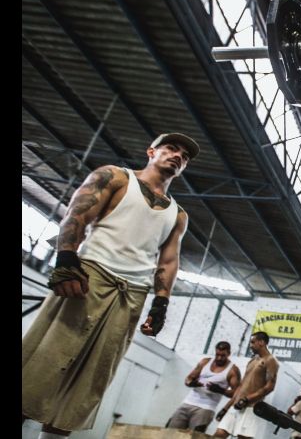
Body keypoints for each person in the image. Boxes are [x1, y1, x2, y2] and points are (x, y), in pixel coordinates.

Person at [22, 133, 200, 439]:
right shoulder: (115, 177)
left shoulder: (178, 215)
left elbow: (169, 261)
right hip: (88, 278)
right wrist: (66, 259)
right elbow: (77, 214)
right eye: (171, 148)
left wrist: (161, 304)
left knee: (90, 379)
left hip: (132, 295)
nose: (177, 156)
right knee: (43, 363)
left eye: (184, 156)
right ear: (151, 151)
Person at [214, 331, 279, 439]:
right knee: (219, 434)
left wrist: (247, 399)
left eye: (253, 342)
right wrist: (226, 408)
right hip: (236, 405)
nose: (250, 345)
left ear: (261, 342)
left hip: (251, 408)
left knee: (243, 438)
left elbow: (270, 387)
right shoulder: (253, 360)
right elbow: (241, 386)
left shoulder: (271, 361)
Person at [167, 341, 242, 433]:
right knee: (170, 432)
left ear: (229, 354)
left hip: (206, 408)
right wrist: (192, 383)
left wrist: (220, 390)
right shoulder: (205, 362)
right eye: (217, 354)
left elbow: (236, 394)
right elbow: (188, 379)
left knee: (195, 436)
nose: (219, 358)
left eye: (223, 355)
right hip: (188, 403)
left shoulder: (233, 370)